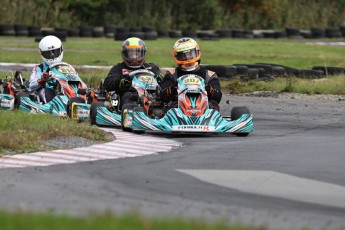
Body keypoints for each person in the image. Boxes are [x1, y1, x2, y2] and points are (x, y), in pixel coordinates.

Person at [160, 37, 222, 110]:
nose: (188, 58)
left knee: (213, 104)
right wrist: (174, 88)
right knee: (173, 105)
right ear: (177, 57)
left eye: (191, 54)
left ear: (197, 52)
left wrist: (208, 88)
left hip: (203, 109)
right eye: (183, 56)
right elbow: (162, 96)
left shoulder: (209, 75)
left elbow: (217, 97)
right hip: (179, 109)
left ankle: (212, 120)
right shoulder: (172, 75)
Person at [103, 37, 163, 108]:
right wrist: (122, 83)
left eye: (137, 54)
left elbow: (163, 82)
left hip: (151, 95)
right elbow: (108, 83)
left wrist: (161, 78)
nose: (134, 57)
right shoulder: (118, 68)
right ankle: (130, 115)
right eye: (131, 54)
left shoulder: (152, 68)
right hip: (130, 96)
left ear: (143, 53)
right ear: (125, 54)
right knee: (129, 95)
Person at [29, 35, 64, 103]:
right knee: (47, 91)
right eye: (48, 53)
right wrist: (42, 79)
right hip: (47, 93)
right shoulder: (39, 68)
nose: (52, 56)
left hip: (64, 92)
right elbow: (31, 85)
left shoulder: (65, 67)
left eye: (55, 52)